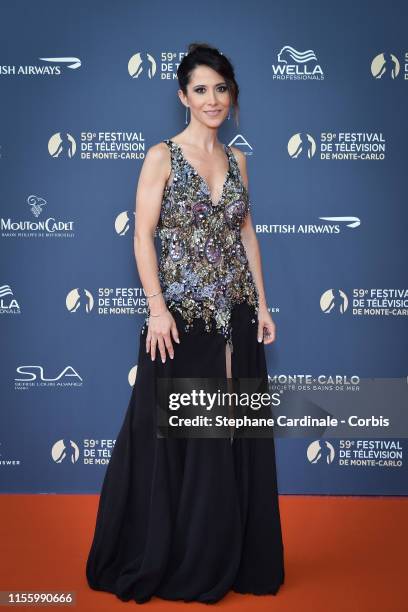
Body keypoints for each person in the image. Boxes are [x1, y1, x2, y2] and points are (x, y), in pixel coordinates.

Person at [86, 41, 285, 605]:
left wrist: (263, 306)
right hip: (182, 318)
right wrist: (156, 307)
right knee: (181, 438)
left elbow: (246, 236)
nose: (213, 98)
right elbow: (141, 234)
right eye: (201, 89)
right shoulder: (161, 156)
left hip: (238, 316)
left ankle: (234, 556)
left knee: (233, 436)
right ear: (183, 96)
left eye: (221, 88)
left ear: (232, 95)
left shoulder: (240, 160)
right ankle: (176, 556)